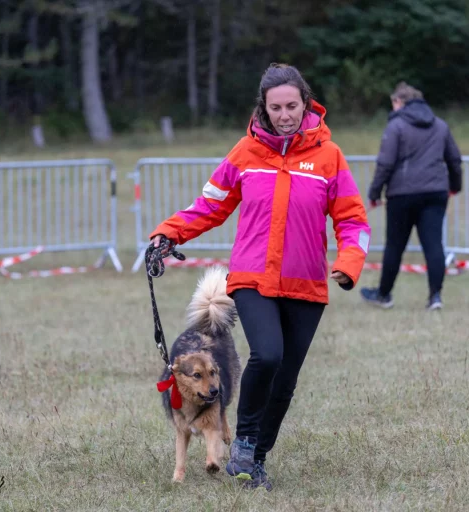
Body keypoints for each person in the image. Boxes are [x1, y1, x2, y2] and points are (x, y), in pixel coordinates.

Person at [148, 63, 371, 490]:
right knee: (266, 355)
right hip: (253, 277)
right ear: (263, 109)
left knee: (285, 380)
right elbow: (209, 205)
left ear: (306, 103)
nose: (284, 115)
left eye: (291, 106)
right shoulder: (244, 154)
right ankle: (245, 441)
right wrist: (167, 232)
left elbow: (353, 220)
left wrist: (349, 263)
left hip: (306, 284)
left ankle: (256, 462)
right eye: (275, 108)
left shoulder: (329, 157)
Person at [360, 81, 463, 310]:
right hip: (435, 192)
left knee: (395, 245)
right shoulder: (440, 125)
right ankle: (435, 297)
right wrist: (455, 185)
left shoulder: (396, 126)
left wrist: (374, 193)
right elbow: (454, 160)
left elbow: (385, 163)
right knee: (434, 244)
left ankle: (384, 295)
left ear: (399, 102)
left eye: (393, 103)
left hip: (402, 195)